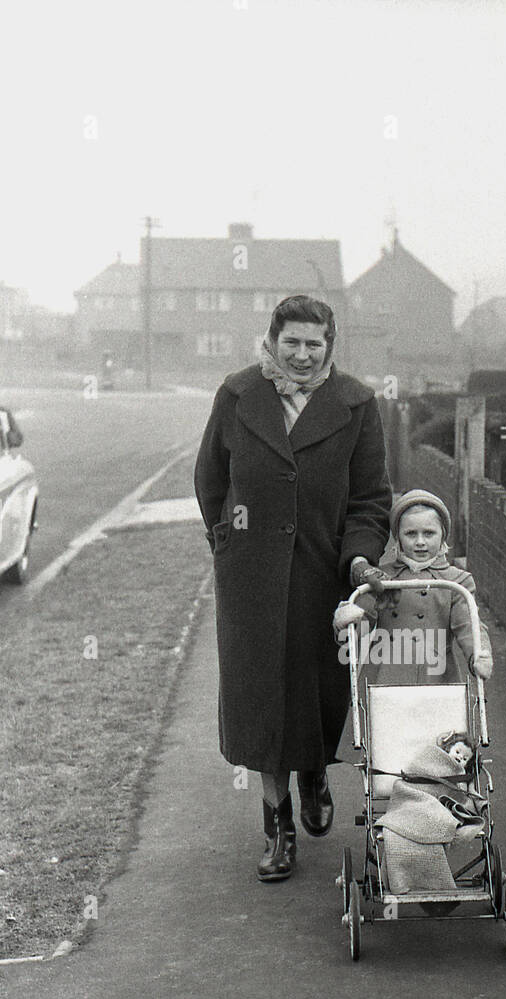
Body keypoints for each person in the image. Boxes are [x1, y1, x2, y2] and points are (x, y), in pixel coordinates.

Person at [194, 295, 391, 883]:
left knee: (318, 690)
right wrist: (228, 543)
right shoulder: (237, 395)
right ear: (272, 340)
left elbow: (370, 499)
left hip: (323, 573)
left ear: (330, 346)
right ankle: (276, 825)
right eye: (292, 343)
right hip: (251, 579)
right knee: (260, 697)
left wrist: (357, 558)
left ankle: (314, 772)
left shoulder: (355, 403)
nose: (302, 356)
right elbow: (211, 479)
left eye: (315, 344)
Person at [333, 488, 493, 686]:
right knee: (382, 714)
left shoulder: (455, 581)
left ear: (442, 535)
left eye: (429, 533)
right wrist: (349, 620)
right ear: (398, 537)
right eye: (410, 534)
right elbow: (362, 622)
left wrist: (478, 654)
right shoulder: (382, 578)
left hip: (436, 675)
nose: (420, 542)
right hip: (386, 673)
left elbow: (468, 625)